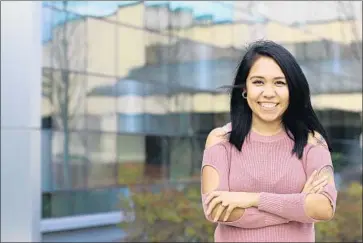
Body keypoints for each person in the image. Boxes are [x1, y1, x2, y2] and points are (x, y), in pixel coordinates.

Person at [201, 40, 337, 242]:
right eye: (258, 82)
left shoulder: (312, 142)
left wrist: (252, 199)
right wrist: (297, 207)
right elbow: (217, 210)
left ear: (292, 89)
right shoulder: (220, 140)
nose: (268, 93)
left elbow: (324, 207)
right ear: (244, 89)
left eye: (280, 83)